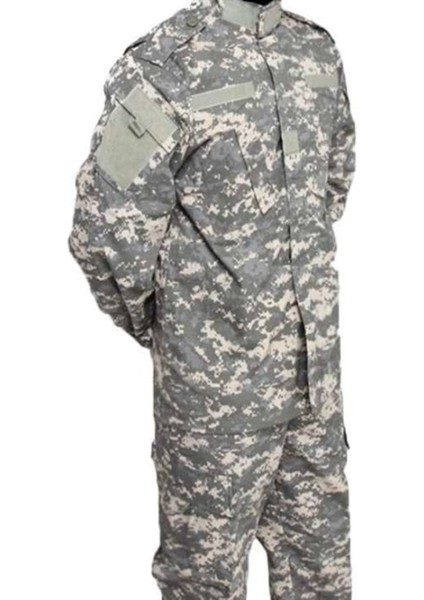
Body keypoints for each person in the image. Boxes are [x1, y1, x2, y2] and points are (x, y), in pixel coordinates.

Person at [68, 0, 356, 597]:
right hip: (213, 414)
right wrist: (182, 333)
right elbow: (106, 229)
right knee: (203, 587)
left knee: (322, 583)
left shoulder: (316, 52)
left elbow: (331, 186)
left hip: (313, 397)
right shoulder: (165, 66)